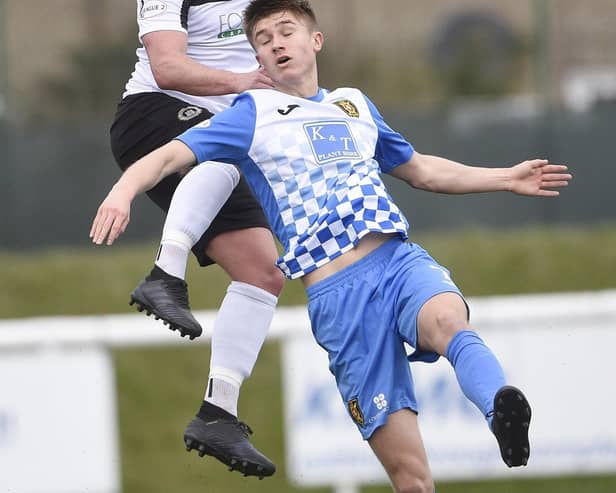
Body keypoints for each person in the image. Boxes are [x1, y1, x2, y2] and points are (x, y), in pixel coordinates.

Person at [91, 0, 573, 490]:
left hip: (397, 262)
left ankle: (501, 412)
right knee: (412, 478)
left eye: (286, 31)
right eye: (263, 39)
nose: (277, 43)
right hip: (340, 299)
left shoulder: (354, 104)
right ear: (255, 59)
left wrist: (506, 178)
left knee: (450, 321)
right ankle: (170, 274)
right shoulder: (251, 113)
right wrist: (122, 191)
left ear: (315, 40)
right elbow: (174, 153)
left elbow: (422, 170)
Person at [93, 0, 286, 479]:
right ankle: (165, 273)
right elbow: (166, 66)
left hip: (224, 134)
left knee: (264, 274)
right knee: (219, 146)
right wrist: (240, 83)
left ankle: (218, 413)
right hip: (153, 117)